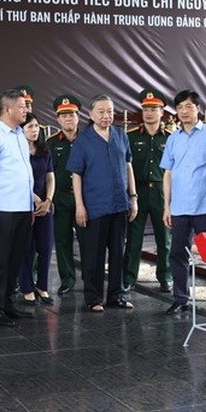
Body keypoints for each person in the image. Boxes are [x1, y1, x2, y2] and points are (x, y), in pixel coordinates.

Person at [67, 94, 138, 312]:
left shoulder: (120, 135)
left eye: (110, 111)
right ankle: (94, 297)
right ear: (90, 114)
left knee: (118, 253)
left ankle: (116, 295)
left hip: (119, 204)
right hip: (95, 207)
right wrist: (79, 205)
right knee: (94, 255)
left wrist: (133, 197)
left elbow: (128, 166)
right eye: (101, 111)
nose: (106, 116)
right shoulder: (83, 140)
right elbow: (76, 174)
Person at [161, 90, 206, 317]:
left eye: (188, 107)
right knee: (177, 253)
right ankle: (180, 298)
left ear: (197, 108)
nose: (184, 112)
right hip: (179, 207)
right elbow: (168, 174)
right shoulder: (172, 138)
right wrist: (166, 206)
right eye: (179, 108)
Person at [0, 89, 35, 327]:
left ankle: (8, 304)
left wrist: (30, 204)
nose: (26, 111)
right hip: (2, 210)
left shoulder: (20, 134)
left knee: (15, 260)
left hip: (22, 208)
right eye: (22, 107)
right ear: (8, 109)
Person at [123, 89, 173, 294]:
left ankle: (166, 277)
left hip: (162, 192)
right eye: (145, 109)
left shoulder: (171, 138)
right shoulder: (130, 137)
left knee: (165, 239)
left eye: (154, 109)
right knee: (134, 239)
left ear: (162, 112)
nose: (149, 113)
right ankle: (129, 278)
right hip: (138, 192)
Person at [18, 113, 55, 305]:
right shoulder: (17, 152)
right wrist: (32, 198)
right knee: (25, 247)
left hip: (44, 205)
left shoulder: (44, 150)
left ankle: (42, 286)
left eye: (36, 126)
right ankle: (26, 287)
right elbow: (15, 179)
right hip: (23, 204)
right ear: (21, 130)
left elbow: (50, 177)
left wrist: (48, 200)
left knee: (46, 246)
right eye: (29, 127)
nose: (34, 130)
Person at [47, 94, 82, 295]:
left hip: (83, 199)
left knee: (88, 240)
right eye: (64, 115)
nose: (68, 119)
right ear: (58, 119)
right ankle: (67, 279)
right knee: (62, 240)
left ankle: (90, 277)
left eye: (72, 115)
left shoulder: (88, 140)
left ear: (78, 117)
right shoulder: (51, 144)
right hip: (60, 198)